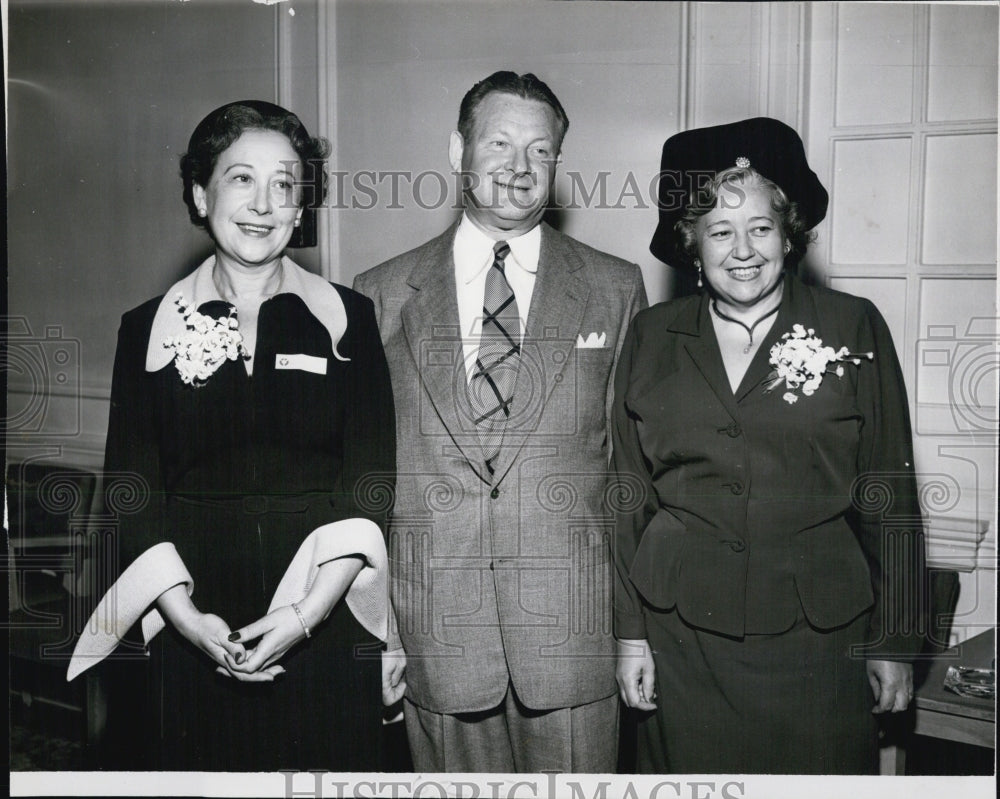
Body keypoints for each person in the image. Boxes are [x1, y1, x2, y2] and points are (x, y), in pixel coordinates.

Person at [68, 100, 395, 771]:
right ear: (200, 193)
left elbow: (370, 486)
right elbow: (133, 494)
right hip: (190, 618)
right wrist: (189, 623)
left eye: (285, 185)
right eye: (241, 178)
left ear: (302, 208)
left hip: (323, 615)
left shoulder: (350, 318)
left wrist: (304, 616)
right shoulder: (146, 327)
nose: (264, 204)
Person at [612, 117, 926, 774]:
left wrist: (895, 638)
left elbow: (889, 492)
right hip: (682, 639)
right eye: (719, 231)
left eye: (760, 227)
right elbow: (628, 496)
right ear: (691, 242)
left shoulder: (851, 325)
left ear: (789, 234)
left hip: (818, 643)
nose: (743, 250)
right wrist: (630, 633)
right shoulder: (650, 335)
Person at [354, 71, 647, 773]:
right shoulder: (379, 293)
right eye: (499, 144)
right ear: (459, 150)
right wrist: (379, 631)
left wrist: (633, 632)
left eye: (540, 151)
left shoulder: (614, 287)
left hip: (572, 636)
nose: (519, 166)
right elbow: (367, 483)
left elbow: (630, 475)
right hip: (436, 635)